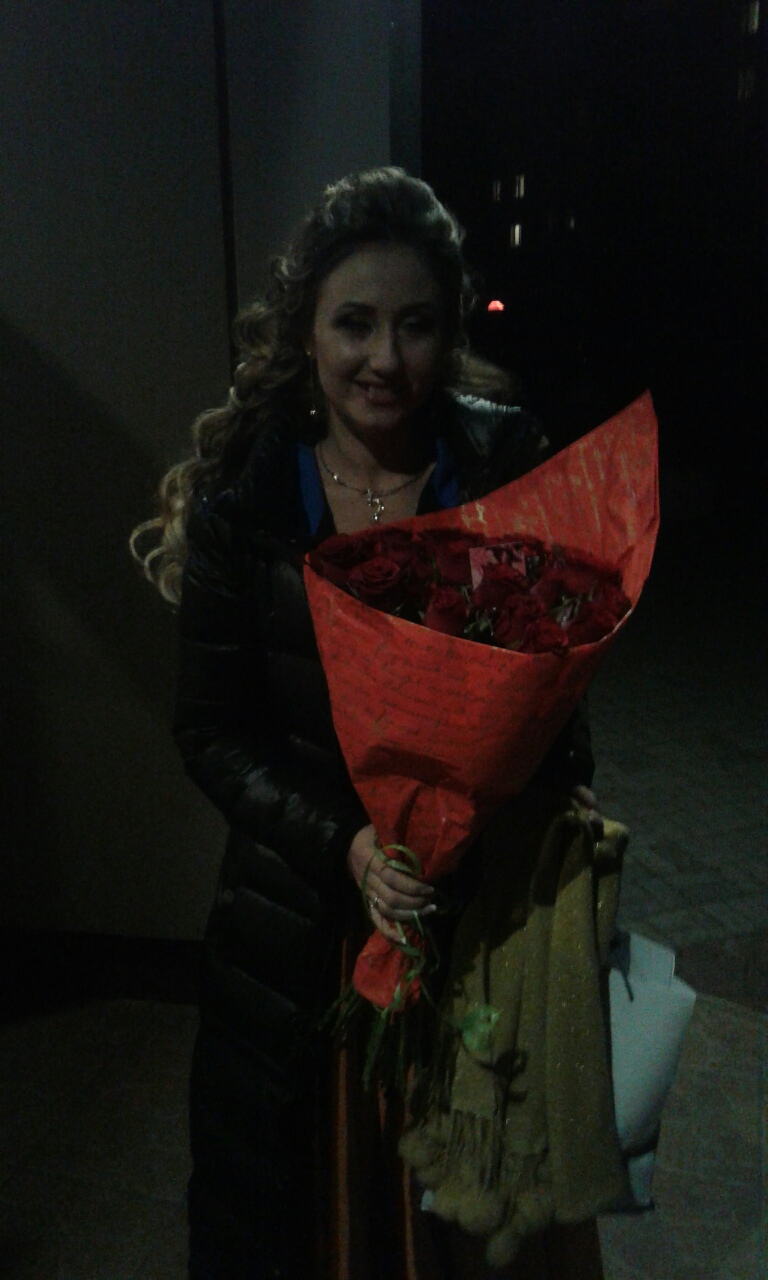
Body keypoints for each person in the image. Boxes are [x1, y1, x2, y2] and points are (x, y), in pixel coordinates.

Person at [132, 167, 605, 1280]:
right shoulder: (248, 498)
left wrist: (544, 803)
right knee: (306, 1211)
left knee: (477, 1208)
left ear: (450, 331)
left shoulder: (499, 465)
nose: (385, 358)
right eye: (355, 323)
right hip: (302, 927)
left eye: (416, 325)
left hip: (470, 921)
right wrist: (347, 843)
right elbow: (211, 733)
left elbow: (555, 690)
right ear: (307, 330)